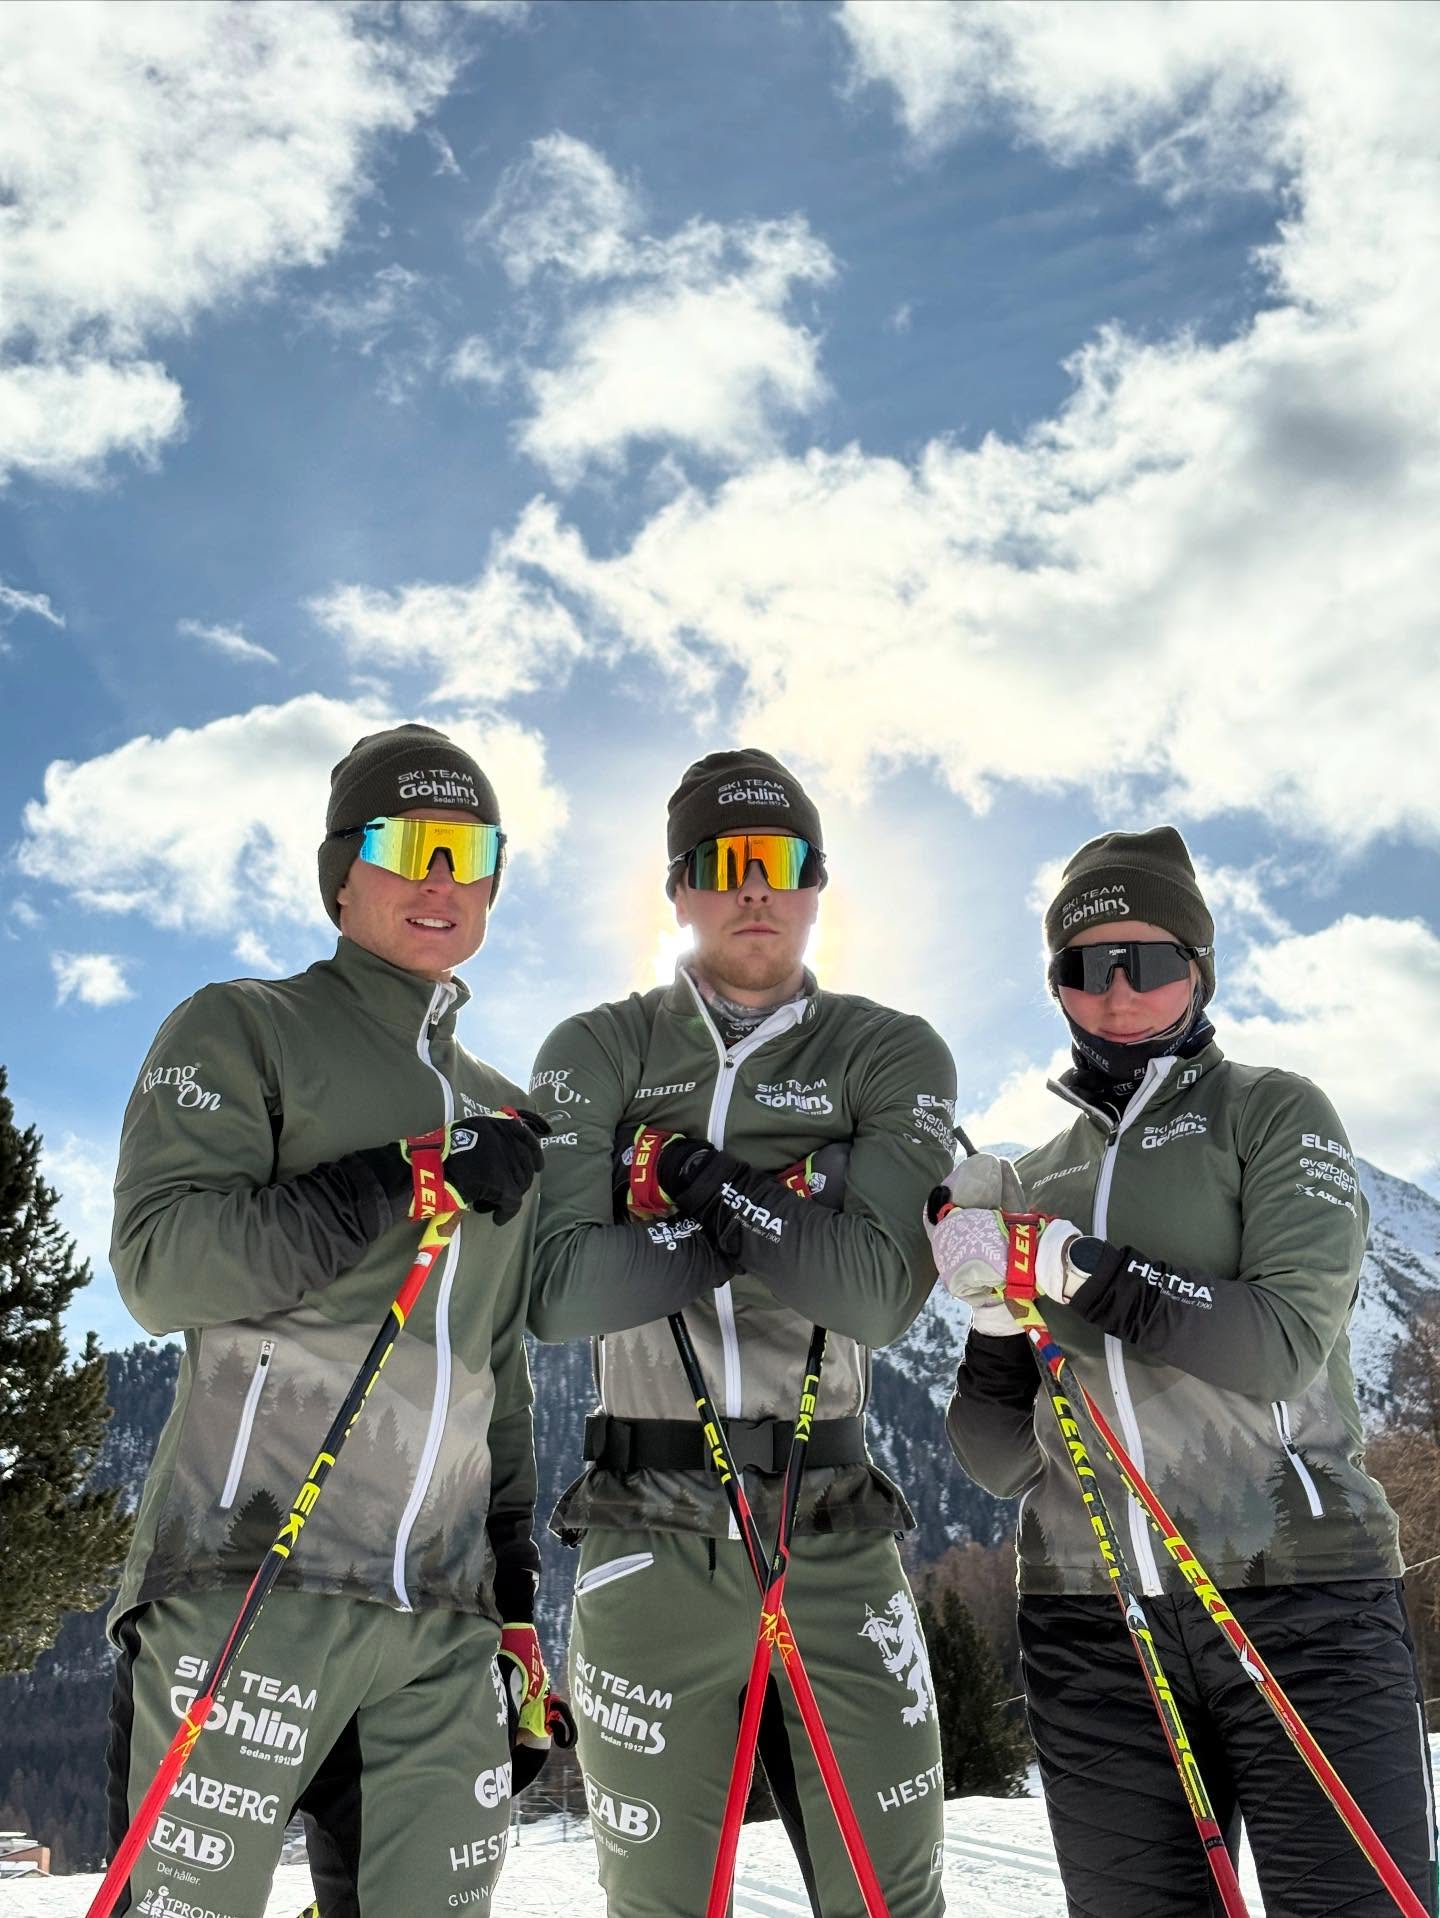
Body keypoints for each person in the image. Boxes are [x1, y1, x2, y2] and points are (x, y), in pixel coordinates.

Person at [930, 825, 1437, 1918]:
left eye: (1148, 962)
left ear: (1198, 968)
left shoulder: (1270, 1111)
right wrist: (994, 1315)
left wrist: (1070, 1265)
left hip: (1299, 1595)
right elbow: (1000, 1459)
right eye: (1085, 966)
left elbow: (1279, 1342)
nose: (1117, 992)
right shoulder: (1040, 1173)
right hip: (1089, 1622)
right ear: (1057, 984)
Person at [104, 723, 559, 1918]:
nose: (441, 878)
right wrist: (397, 1180)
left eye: (469, 849)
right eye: (408, 844)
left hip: (443, 1632)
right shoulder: (245, 1026)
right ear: (341, 874)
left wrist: (514, 1602)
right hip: (247, 1581)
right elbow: (161, 1268)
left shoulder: (505, 1110)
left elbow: (496, 1370)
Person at [527, 746, 959, 1918]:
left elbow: (873, 1297)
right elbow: (559, 1291)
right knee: (660, 1903)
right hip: (643, 1529)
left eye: (782, 862)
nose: (754, 888)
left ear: (821, 880)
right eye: (722, 864)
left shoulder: (888, 1049)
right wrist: (781, 1203)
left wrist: (687, 1181)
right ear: (677, 886)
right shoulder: (597, 1047)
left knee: (892, 1894)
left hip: (834, 1526)